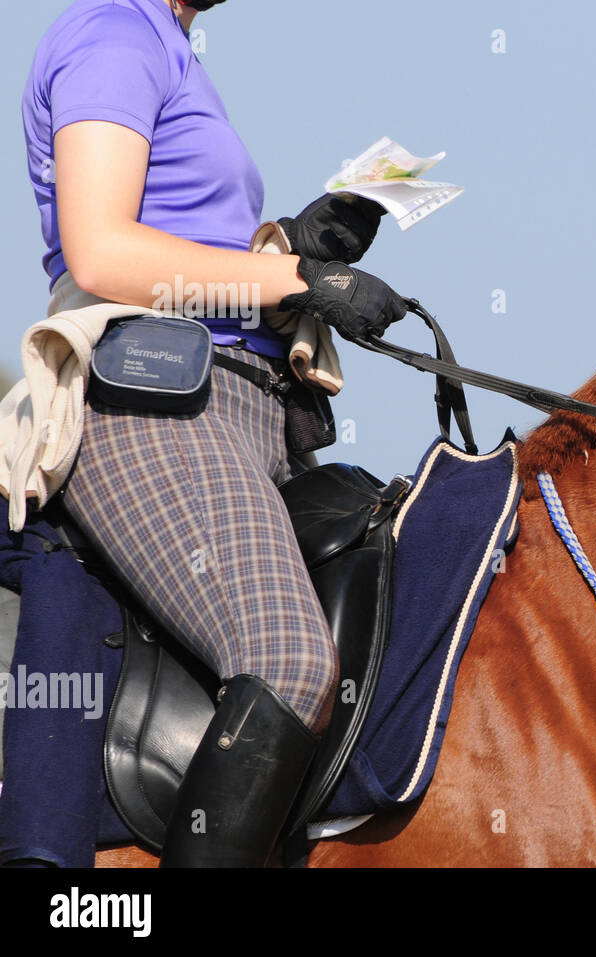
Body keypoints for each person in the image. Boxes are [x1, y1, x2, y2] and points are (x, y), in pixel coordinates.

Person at [21, 0, 406, 866]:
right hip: (156, 407)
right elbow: (102, 252)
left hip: (249, 413)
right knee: (289, 662)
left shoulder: (172, 48)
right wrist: (296, 278)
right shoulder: (114, 31)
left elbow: (187, 252)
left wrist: (296, 247)